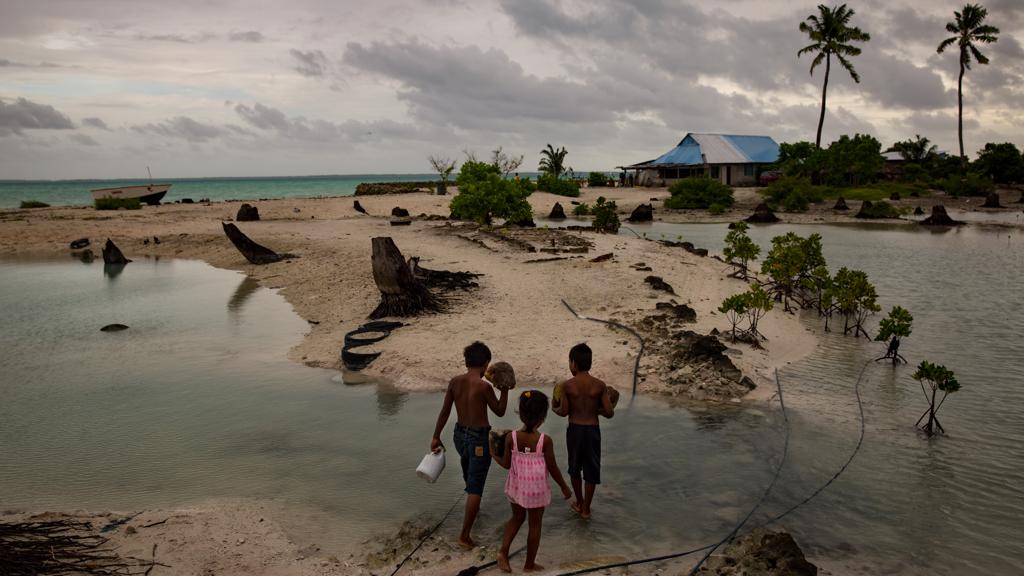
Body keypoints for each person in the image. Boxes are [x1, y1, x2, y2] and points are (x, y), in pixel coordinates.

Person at [430, 341, 509, 548]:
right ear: (485, 364)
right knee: (476, 487)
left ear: (466, 362)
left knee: (469, 475)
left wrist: (436, 436)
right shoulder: (484, 386)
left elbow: (445, 411)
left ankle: (473, 510)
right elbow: (500, 410)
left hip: (459, 435)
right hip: (478, 439)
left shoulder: (455, 382)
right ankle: (465, 536)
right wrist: (505, 390)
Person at [492, 390, 571, 573]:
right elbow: (553, 468)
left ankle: (503, 553)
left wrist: (492, 454)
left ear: (520, 413)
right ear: (543, 417)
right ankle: (529, 565)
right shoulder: (545, 441)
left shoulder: (512, 438)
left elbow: (505, 464)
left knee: (517, 518)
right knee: (535, 525)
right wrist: (564, 487)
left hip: (517, 488)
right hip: (536, 490)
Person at [552, 343, 616, 519]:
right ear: (590, 362)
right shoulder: (600, 385)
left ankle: (579, 502)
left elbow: (564, 411)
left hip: (575, 431)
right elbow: (610, 413)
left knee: (575, 468)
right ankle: (587, 509)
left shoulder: (567, 386)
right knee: (591, 469)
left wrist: (553, 408)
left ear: (573, 363)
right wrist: (595, 410)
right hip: (593, 431)